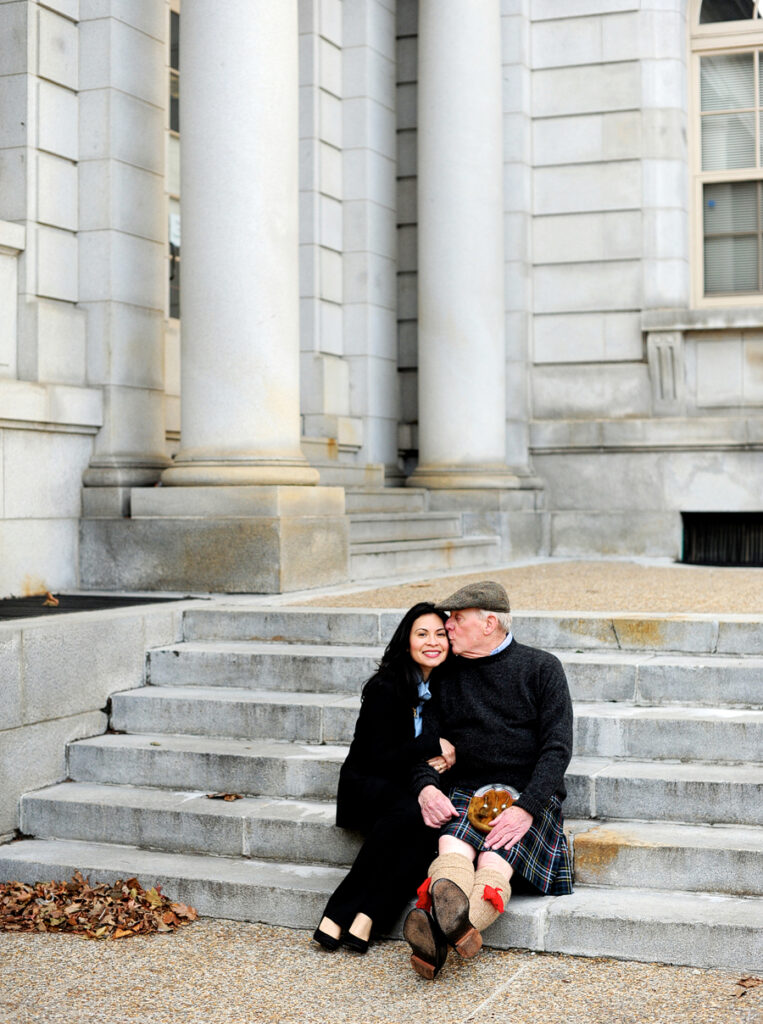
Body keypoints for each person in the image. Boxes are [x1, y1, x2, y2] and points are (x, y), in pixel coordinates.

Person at [403, 580, 573, 979]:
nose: (447, 627)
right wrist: (426, 787)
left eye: (457, 618)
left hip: (528, 795)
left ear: (489, 622)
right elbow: (426, 747)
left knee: (495, 857)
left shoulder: (541, 668)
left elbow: (558, 748)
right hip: (467, 789)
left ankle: (435, 939)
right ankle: (455, 932)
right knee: (452, 845)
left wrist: (527, 808)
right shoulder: (445, 676)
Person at [313, 602, 455, 954]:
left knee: (428, 827)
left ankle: (366, 918)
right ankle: (340, 911)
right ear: (406, 641)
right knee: (412, 814)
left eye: (440, 634)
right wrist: (432, 745)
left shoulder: (440, 686)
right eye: (422, 634)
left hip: (400, 782)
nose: (432, 642)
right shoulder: (386, 686)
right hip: (367, 783)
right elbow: (380, 755)